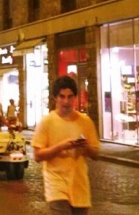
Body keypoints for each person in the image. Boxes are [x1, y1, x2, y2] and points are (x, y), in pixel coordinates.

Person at [32, 76, 100, 214]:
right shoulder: (47, 122)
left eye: (70, 97)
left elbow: (96, 153)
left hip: (79, 186)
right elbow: (37, 155)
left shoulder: (85, 121)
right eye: (62, 96)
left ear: (75, 97)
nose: (66, 101)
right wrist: (61, 146)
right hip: (56, 185)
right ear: (55, 98)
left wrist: (86, 147)